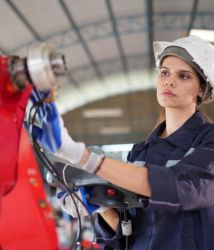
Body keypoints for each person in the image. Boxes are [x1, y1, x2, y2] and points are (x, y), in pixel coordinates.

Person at [33, 35, 214, 250]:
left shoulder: (208, 140)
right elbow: (128, 234)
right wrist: (98, 205)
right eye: (164, 72)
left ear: (202, 89)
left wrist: (84, 158)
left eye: (184, 76)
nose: (169, 81)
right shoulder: (141, 152)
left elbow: (183, 188)